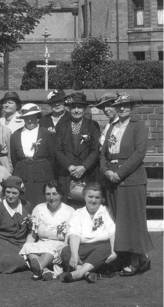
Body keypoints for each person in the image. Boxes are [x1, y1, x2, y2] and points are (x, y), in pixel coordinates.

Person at [100, 93, 153, 276]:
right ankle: (123, 259)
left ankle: (137, 260)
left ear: (132, 108)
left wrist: (119, 173)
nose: (122, 108)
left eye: (127, 105)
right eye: (120, 105)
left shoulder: (138, 126)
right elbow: (103, 154)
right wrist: (106, 171)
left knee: (133, 221)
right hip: (112, 179)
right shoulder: (112, 127)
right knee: (118, 221)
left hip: (131, 179)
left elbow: (139, 153)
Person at [61, 183, 117, 283]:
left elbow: (112, 232)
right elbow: (74, 234)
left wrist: (113, 251)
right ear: (84, 197)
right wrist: (74, 254)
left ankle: (79, 272)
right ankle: (86, 273)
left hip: (100, 248)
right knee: (66, 251)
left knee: (106, 248)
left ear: (101, 199)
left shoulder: (105, 211)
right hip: (82, 249)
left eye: (97, 197)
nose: (93, 200)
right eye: (90, 197)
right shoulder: (78, 212)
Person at [19, 180, 75, 281]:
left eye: (54, 194)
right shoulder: (39, 209)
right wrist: (28, 246)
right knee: (28, 247)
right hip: (41, 243)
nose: (51, 197)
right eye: (48, 194)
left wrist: (62, 251)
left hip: (59, 245)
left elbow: (70, 236)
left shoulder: (70, 211)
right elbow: (33, 232)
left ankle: (39, 268)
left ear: (61, 194)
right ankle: (44, 270)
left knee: (50, 249)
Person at [54, 92, 100, 204]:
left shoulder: (92, 125)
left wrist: (84, 167)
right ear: (69, 109)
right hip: (67, 174)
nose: (76, 110)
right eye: (73, 107)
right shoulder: (62, 126)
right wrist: (69, 166)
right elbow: (57, 149)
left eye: (79, 107)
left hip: (87, 173)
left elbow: (96, 149)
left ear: (84, 109)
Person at [10, 103, 55, 211]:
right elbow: (14, 158)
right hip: (23, 175)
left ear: (37, 117)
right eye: (27, 118)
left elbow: (52, 157)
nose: (29, 121)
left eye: (32, 117)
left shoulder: (46, 134)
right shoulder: (16, 135)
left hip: (42, 175)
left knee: (41, 204)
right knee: (23, 204)